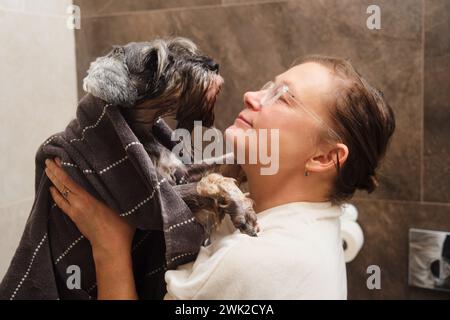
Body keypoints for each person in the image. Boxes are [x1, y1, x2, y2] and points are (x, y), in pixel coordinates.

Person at [44, 55, 395, 299]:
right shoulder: (314, 224)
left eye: (284, 98)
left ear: (324, 157)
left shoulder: (255, 262)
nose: (251, 96)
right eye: (269, 85)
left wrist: (109, 246)